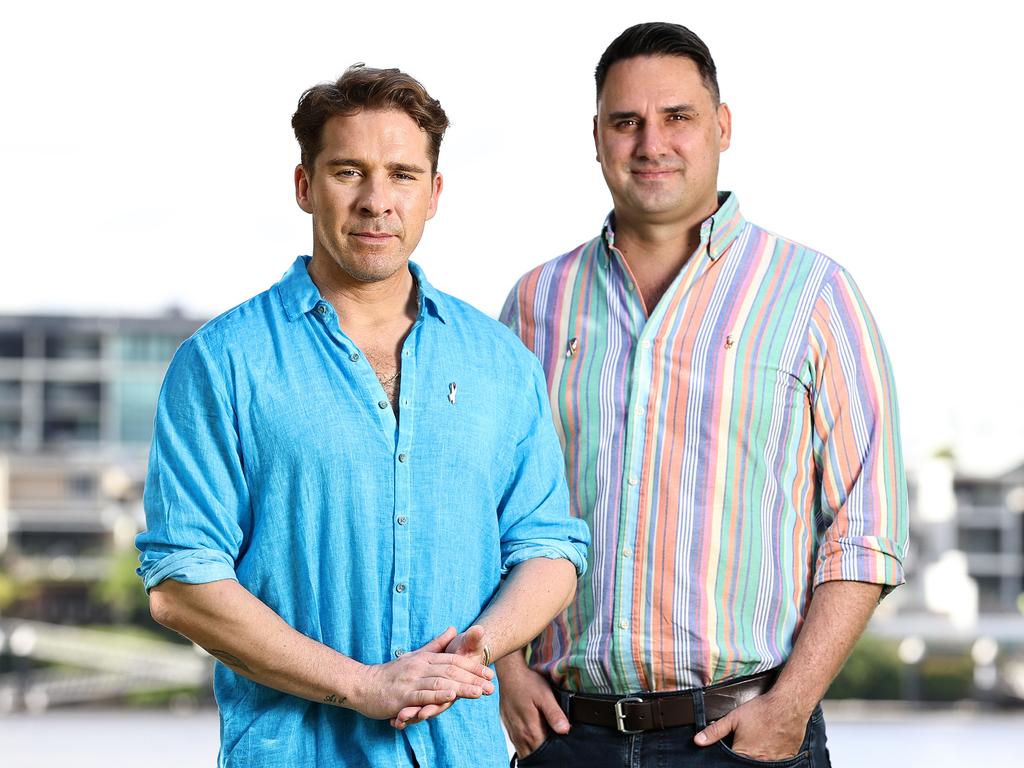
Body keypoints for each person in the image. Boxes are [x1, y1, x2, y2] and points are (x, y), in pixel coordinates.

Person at [136, 64, 589, 768]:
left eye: (403, 175)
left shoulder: (501, 363)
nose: (377, 201)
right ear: (304, 186)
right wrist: (364, 685)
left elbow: (550, 549)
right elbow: (181, 584)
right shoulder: (222, 362)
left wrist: (470, 654)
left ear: (434, 194)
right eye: (350, 172)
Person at [498, 22, 908, 767]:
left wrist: (792, 704)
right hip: (565, 737)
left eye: (677, 117)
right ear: (597, 139)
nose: (651, 142)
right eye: (626, 122)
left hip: (745, 738)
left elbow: (869, 527)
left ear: (721, 126)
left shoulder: (815, 295)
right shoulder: (536, 302)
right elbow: (484, 508)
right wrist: (504, 672)